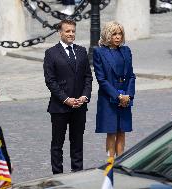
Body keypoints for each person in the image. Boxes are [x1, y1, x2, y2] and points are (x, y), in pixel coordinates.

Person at [43, 19, 93, 174]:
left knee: (77, 143)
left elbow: (88, 77)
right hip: (60, 107)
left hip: (79, 106)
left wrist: (85, 96)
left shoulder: (81, 51)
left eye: (73, 31)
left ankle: (77, 173)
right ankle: (57, 175)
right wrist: (66, 99)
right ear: (60, 32)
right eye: (67, 31)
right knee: (57, 144)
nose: (71, 34)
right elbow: (50, 81)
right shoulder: (51, 53)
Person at [93, 21, 136, 158]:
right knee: (111, 132)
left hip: (125, 97)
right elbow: (101, 79)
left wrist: (128, 95)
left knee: (122, 131)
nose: (118, 37)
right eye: (114, 34)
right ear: (107, 35)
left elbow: (131, 75)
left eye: (120, 34)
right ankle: (110, 163)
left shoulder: (126, 50)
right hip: (108, 98)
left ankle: (120, 161)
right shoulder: (99, 52)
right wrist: (118, 96)